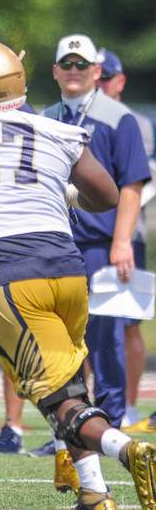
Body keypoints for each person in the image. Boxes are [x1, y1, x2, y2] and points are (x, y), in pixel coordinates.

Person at [0, 39, 156, 510]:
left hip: (9, 275)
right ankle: (95, 492)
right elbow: (106, 196)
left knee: (59, 399)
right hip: (69, 272)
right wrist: (60, 193)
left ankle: (129, 450)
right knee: (70, 382)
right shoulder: (54, 127)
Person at [43, 35, 149, 430]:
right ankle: (68, 429)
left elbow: (132, 185)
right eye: (66, 65)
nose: (74, 71)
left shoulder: (117, 117)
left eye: (81, 65)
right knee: (59, 336)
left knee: (105, 338)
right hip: (55, 242)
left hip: (101, 244)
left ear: (96, 71)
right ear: (54, 71)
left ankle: (111, 424)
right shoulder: (45, 117)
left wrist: (122, 241)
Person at [97, 48, 156, 433]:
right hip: (86, 235)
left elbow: (136, 183)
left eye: (106, 77)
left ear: (119, 81)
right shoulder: (75, 116)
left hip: (126, 237)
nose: (99, 83)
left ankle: (129, 407)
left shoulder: (134, 122)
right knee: (88, 324)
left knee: (128, 323)